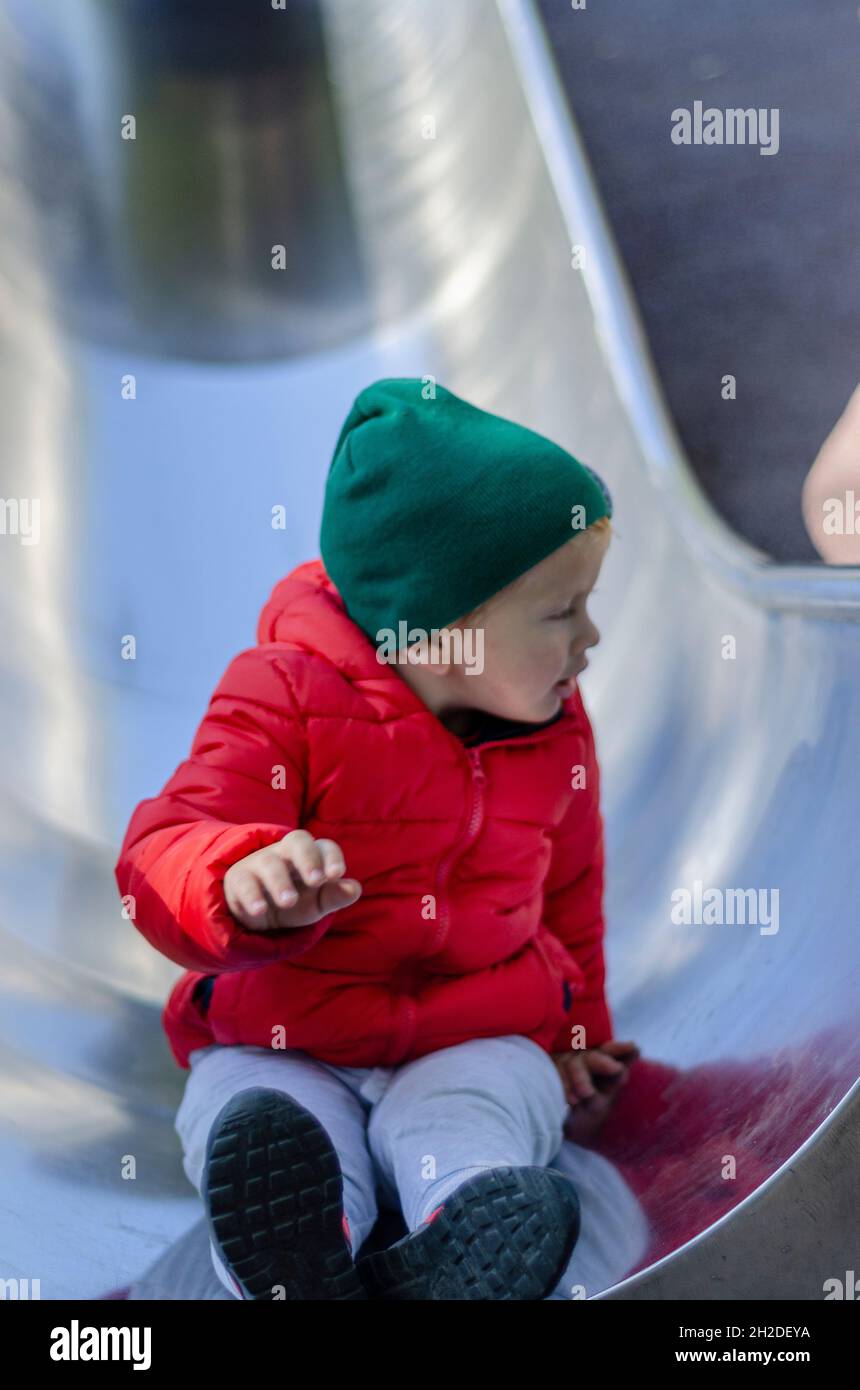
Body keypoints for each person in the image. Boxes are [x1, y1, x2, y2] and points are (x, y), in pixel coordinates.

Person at [114, 377, 640, 1300]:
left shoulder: (556, 727)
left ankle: (466, 1234)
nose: (590, 638)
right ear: (441, 630)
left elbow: (572, 890)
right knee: (258, 1113)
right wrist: (238, 878)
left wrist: (576, 1032)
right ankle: (300, 1257)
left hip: (473, 1029)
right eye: (562, 612)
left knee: (482, 1108)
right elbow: (167, 842)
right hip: (286, 1033)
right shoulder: (286, 694)